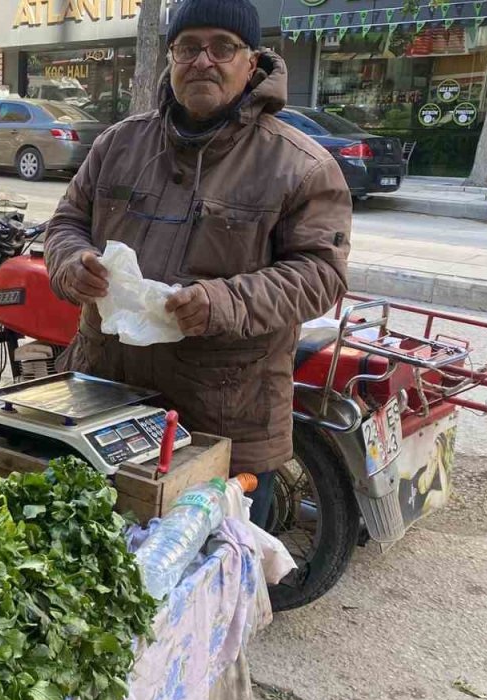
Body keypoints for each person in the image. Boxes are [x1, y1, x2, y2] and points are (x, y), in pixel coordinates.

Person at [44, 0, 351, 530]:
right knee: (97, 570)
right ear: (170, 57)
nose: (202, 61)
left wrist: (220, 302)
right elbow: (66, 222)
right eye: (188, 47)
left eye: (222, 47)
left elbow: (320, 275)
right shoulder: (120, 143)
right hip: (106, 400)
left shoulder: (301, 165)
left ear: (251, 63)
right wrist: (72, 263)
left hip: (224, 417)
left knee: (213, 586)